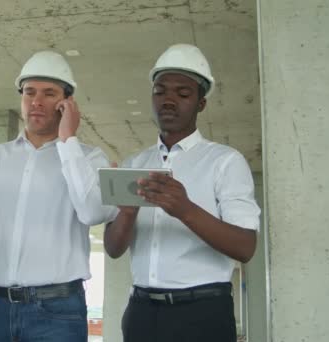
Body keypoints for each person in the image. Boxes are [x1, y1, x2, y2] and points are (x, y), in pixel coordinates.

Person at [0, 51, 116, 342]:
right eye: (29, 92)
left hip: (58, 312)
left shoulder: (90, 158)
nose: (36, 102)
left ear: (66, 104)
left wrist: (69, 142)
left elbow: (93, 212)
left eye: (48, 93)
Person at [104, 44, 261, 342]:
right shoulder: (135, 164)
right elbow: (113, 249)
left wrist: (186, 209)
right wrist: (126, 213)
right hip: (141, 313)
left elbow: (245, 247)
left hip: (202, 315)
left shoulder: (225, 161)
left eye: (183, 93)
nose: (169, 100)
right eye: (160, 91)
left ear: (201, 103)